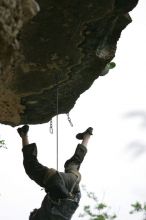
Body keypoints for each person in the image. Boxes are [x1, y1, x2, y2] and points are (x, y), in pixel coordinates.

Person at [17, 125, 93, 220]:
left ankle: (87, 136)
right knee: (31, 167)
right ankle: (24, 134)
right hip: (56, 184)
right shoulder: (39, 217)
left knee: (74, 164)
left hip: (74, 186)